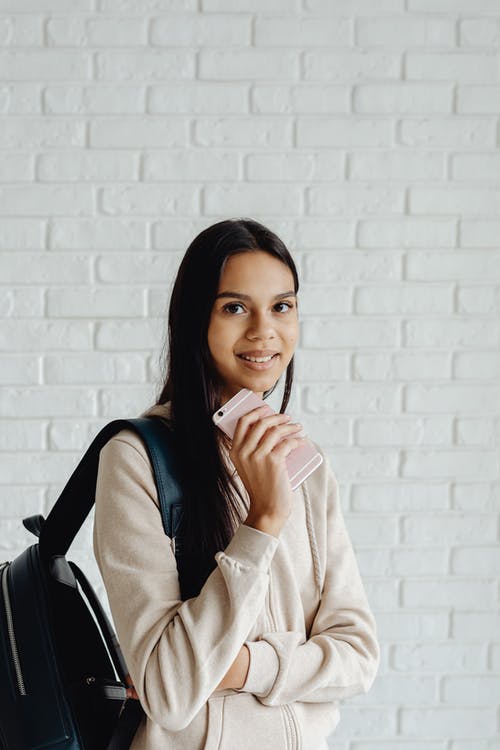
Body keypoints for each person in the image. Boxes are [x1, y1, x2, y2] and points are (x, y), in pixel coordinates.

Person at [93, 217, 380, 750]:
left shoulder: (307, 465)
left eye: (282, 306)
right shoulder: (136, 460)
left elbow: (358, 656)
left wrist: (243, 666)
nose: (263, 331)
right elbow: (169, 691)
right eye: (234, 307)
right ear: (194, 319)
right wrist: (262, 523)